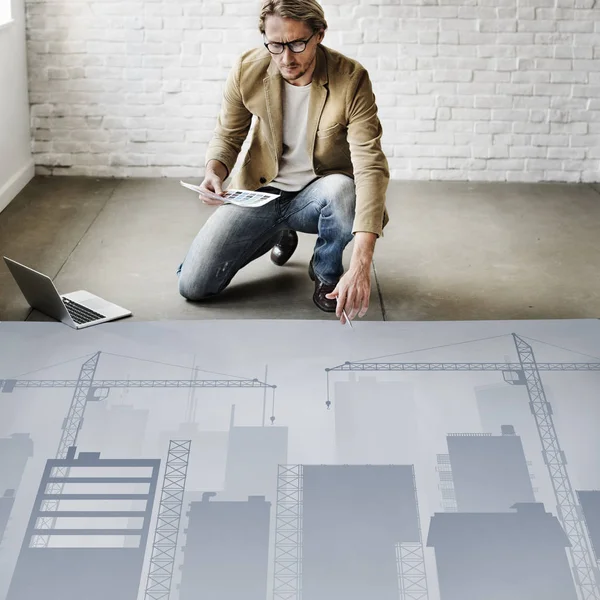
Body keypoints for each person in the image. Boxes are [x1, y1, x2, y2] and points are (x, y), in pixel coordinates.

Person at [177, 0, 389, 323]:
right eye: (276, 45)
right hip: (260, 193)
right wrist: (214, 172)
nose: (286, 58)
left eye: (297, 43)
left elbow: (370, 166)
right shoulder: (248, 70)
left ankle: (325, 272)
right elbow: (228, 136)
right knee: (193, 284)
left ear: (319, 35)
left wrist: (361, 264)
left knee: (344, 192)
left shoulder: (351, 79)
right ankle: (278, 233)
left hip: (319, 195)